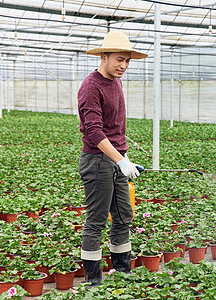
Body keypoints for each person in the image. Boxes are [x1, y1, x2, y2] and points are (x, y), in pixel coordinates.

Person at [77, 30, 147, 287]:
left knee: (123, 216)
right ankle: (94, 281)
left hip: (117, 159)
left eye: (127, 61)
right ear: (104, 56)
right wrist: (121, 161)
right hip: (97, 161)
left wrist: (124, 157)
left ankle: (123, 272)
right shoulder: (90, 86)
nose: (124, 66)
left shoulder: (116, 81)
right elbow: (93, 130)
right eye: (119, 59)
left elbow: (114, 127)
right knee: (95, 220)